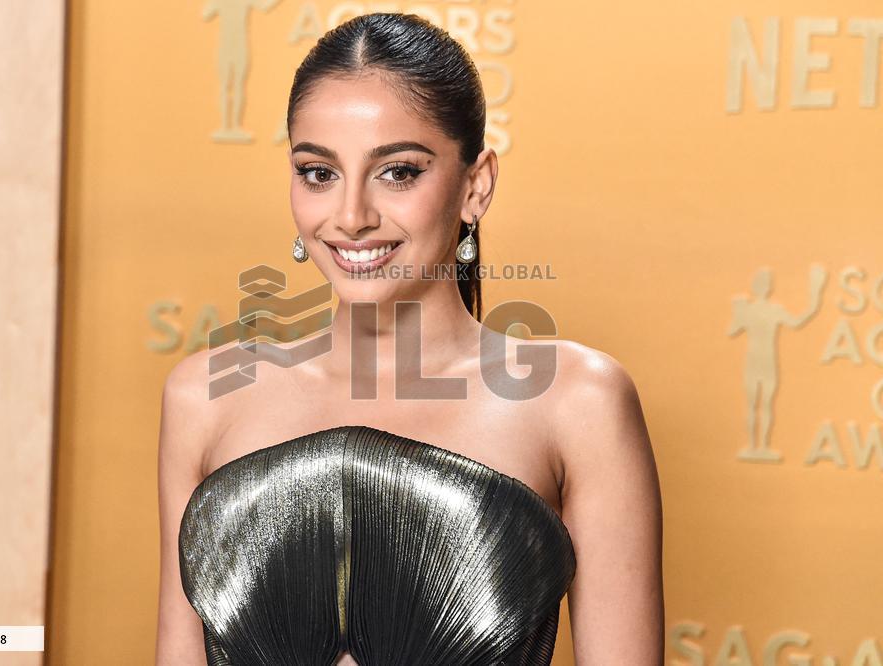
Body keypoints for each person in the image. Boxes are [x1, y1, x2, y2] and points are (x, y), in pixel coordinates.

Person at [156, 12, 663, 665]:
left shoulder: (577, 403)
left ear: (476, 185)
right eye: (319, 173)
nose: (351, 218)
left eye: (397, 172)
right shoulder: (206, 397)